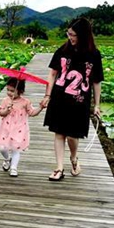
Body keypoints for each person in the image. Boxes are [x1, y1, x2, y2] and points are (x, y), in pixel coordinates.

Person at [40, 18, 104, 181]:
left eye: (73, 35)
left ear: (83, 35)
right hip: (59, 98)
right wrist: (47, 95)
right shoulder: (63, 50)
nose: (70, 37)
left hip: (79, 101)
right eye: (68, 34)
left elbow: (96, 81)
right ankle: (59, 168)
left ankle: (74, 158)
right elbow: (53, 73)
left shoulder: (94, 55)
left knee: (72, 136)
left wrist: (97, 105)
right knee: (59, 133)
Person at [0, 78, 45, 177]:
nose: (9, 93)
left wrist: (40, 108)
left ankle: (13, 167)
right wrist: (7, 110)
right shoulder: (5, 101)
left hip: (19, 129)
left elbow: (32, 113)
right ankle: (7, 158)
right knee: (2, 148)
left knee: (15, 149)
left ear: (20, 91)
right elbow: (1, 113)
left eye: (12, 91)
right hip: (6, 128)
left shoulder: (25, 102)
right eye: (8, 90)